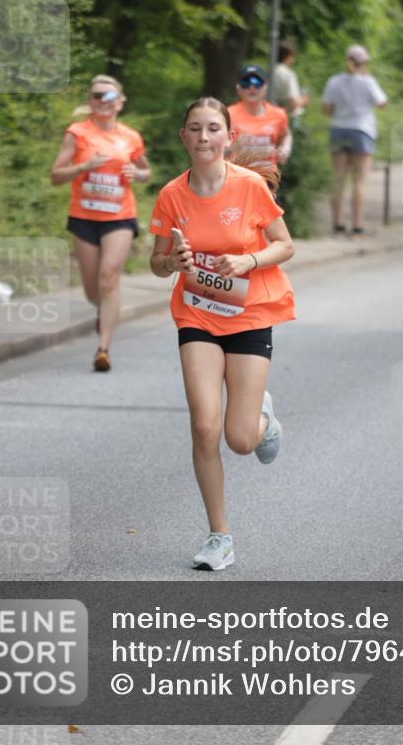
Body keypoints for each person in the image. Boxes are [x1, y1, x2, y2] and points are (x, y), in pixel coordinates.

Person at [149, 97, 295, 571]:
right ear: (183, 136)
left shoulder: (249, 186)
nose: (204, 137)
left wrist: (248, 260)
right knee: (204, 426)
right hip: (198, 316)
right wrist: (173, 262)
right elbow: (156, 262)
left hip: (249, 314)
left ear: (229, 137)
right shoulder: (172, 195)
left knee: (239, 439)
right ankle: (219, 536)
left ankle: (263, 421)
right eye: (195, 128)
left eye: (213, 128)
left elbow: (284, 245)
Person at [51, 75, 150, 370]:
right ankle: (104, 310)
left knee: (109, 277)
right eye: (97, 96)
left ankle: (103, 349)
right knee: (93, 290)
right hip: (84, 217)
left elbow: (145, 171)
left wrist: (137, 174)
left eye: (109, 97)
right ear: (90, 101)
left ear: (120, 102)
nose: (103, 101)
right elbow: (56, 175)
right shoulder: (77, 133)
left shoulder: (131, 137)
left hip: (120, 216)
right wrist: (84, 166)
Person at [322, 44, 388, 235]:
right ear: (364, 62)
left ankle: (337, 223)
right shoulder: (368, 81)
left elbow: (326, 109)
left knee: (338, 179)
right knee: (359, 180)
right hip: (362, 130)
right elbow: (382, 103)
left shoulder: (334, 81)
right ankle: (357, 224)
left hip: (338, 129)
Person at [227, 64, 293, 171]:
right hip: (238, 176)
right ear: (238, 88)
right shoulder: (228, 114)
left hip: (268, 177)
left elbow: (286, 134)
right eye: (246, 83)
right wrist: (234, 147)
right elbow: (217, 151)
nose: (252, 88)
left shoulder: (278, 114)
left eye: (257, 83)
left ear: (265, 87)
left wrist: (286, 148)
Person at [272, 40, 309, 120]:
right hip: (285, 118)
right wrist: (304, 100)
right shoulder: (288, 74)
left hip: (269, 115)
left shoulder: (269, 72)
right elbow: (293, 103)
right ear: (288, 56)